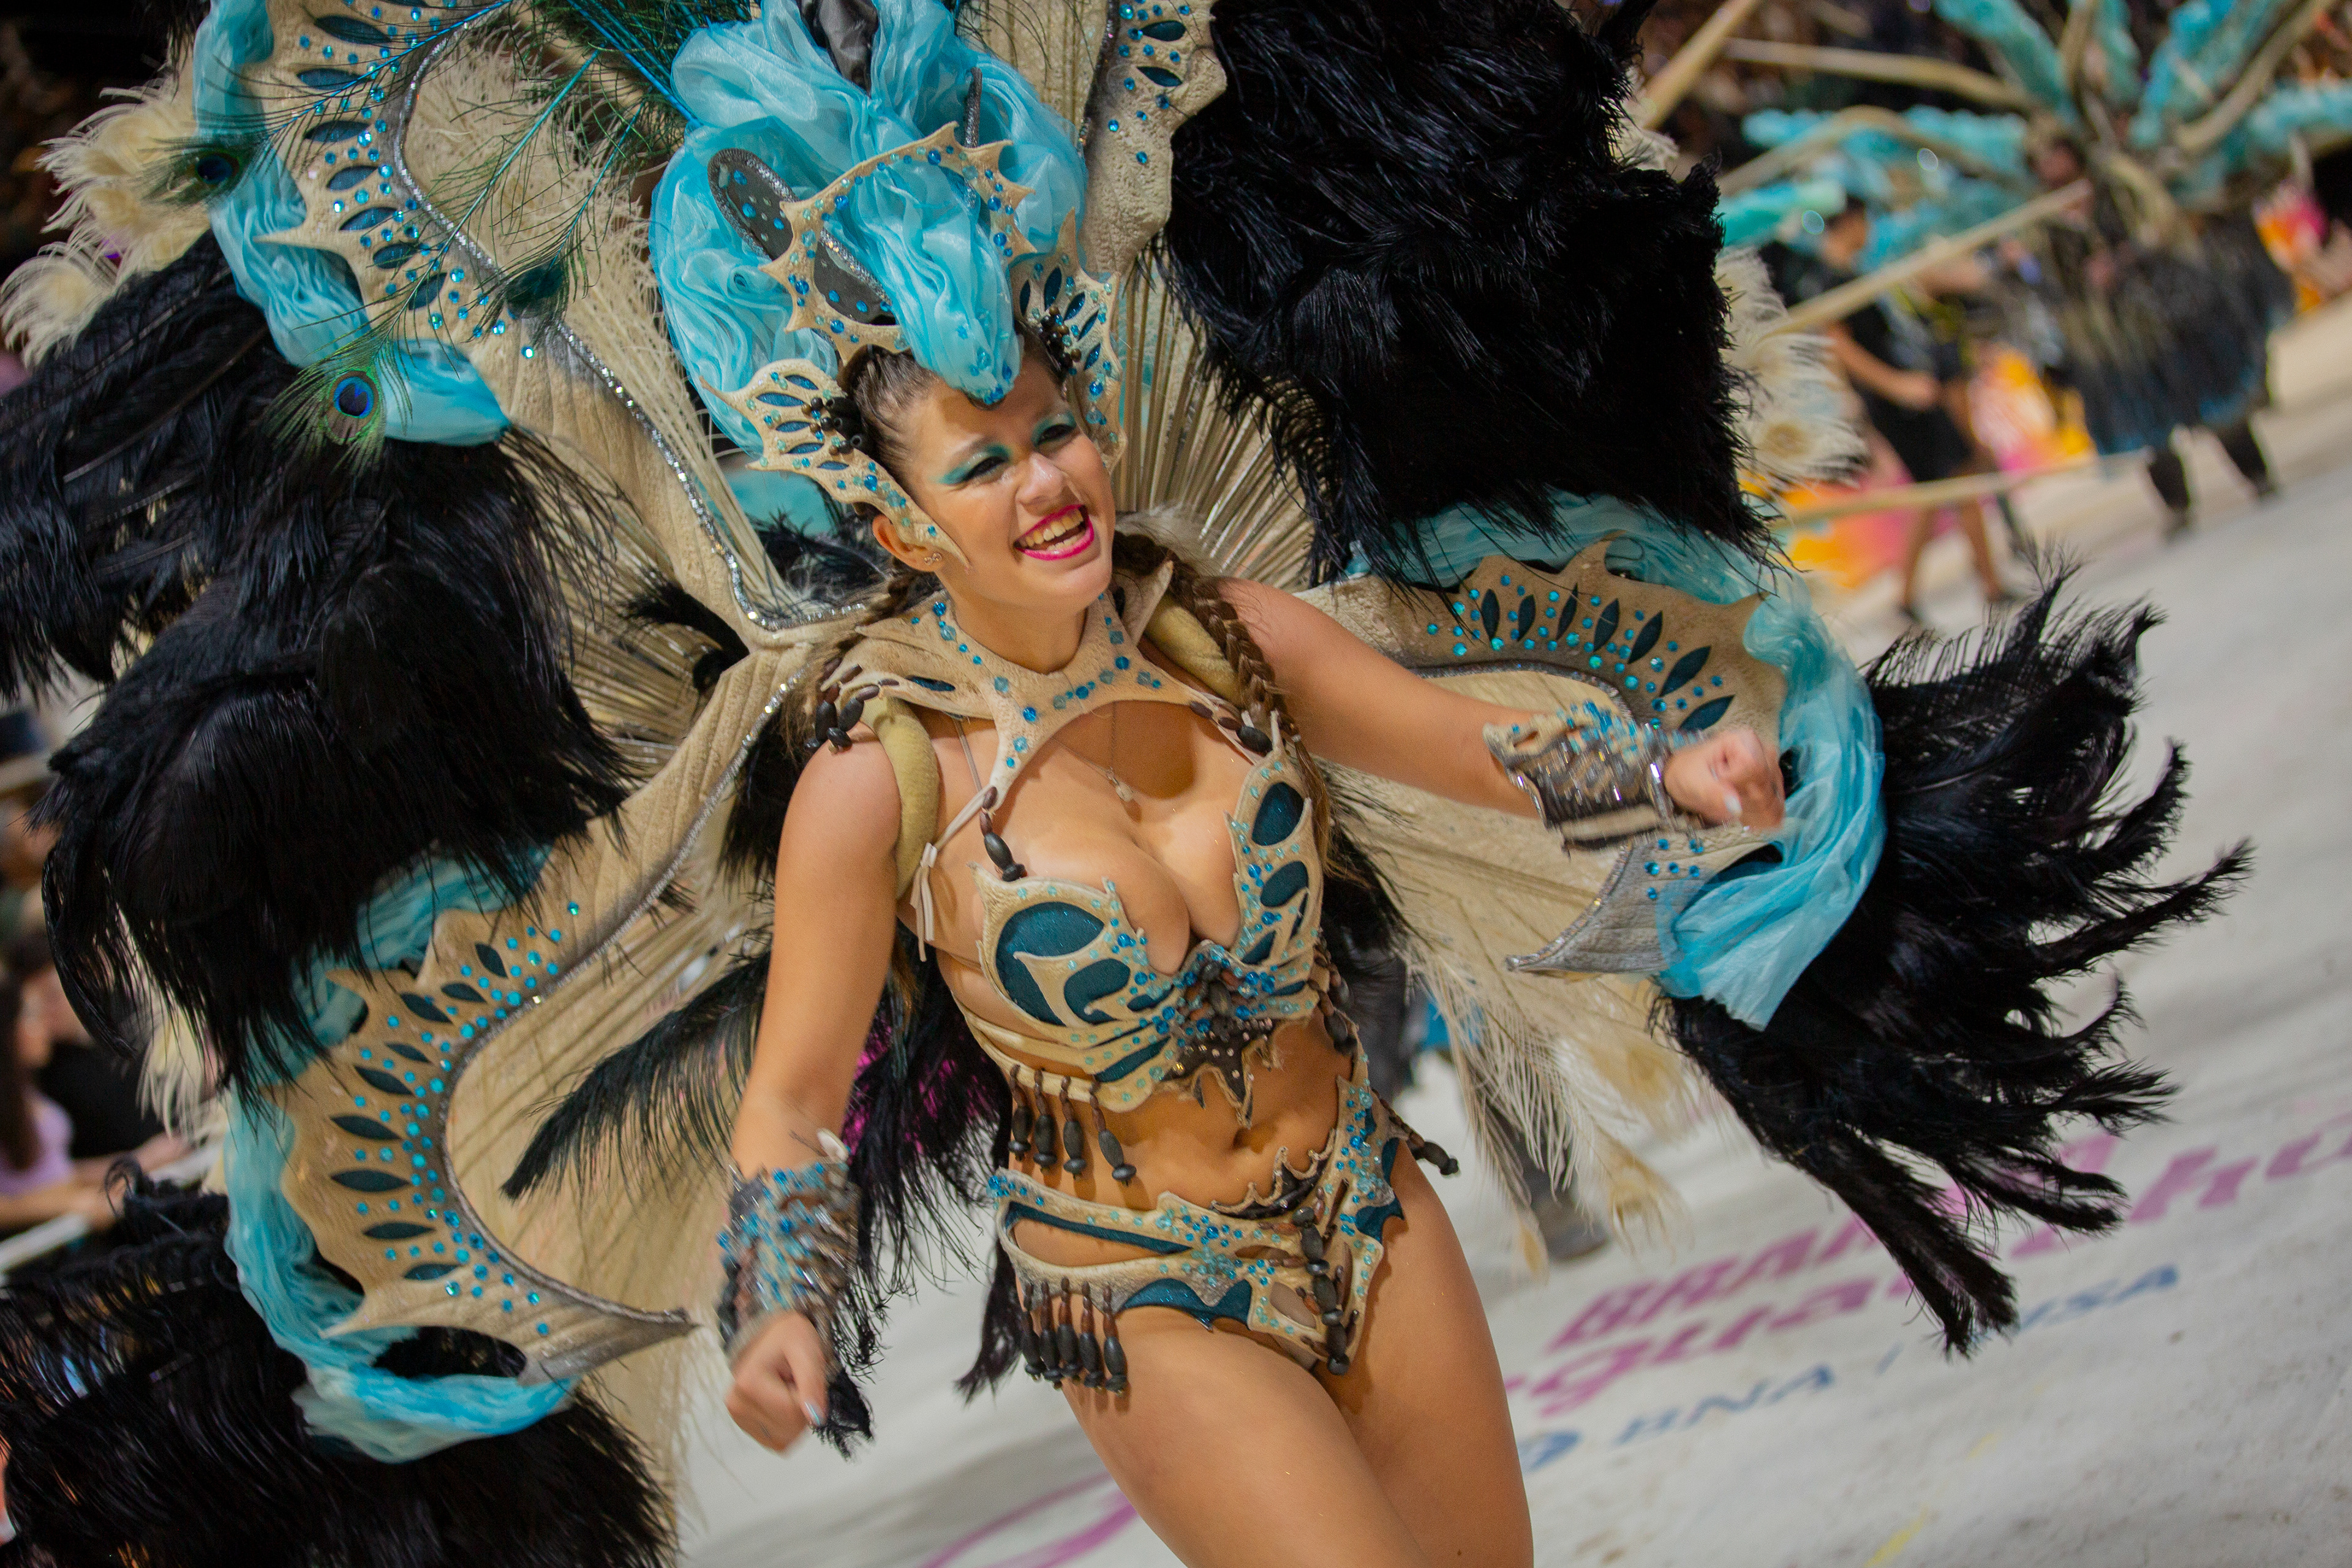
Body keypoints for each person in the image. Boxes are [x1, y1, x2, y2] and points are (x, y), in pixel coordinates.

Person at [0, 1, 2237, 1562]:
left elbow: (1468, 739)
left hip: (1368, 1207)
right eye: (986, 459)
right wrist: (776, 1298)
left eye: (1054, 424)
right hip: (1144, 1283)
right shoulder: (873, 775)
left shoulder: (1228, 623)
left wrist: (1678, 767)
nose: (1054, 479)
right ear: (893, 515)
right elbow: (787, 1099)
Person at [2024, 134, 2290, 537]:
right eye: (2045, 167)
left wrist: (2123, 258)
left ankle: (2257, 475)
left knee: (2220, 408)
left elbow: (2163, 224)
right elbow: (2049, 286)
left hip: (2172, 315)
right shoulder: (2042, 223)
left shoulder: (2119, 184)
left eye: (2059, 160)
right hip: (2116, 342)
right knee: (2150, 433)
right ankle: (2176, 506)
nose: (2055, 172)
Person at [1785, 203, 2013, 622]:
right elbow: (1841, 349)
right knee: (1950, 484)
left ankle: (1959, 588)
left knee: (1944, 487)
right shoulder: (1828, 281)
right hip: (1898, 403)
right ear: (1849, 221)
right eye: (1864, 220)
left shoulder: (1849, 272)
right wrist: (1897, 386)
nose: (1869, 229)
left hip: (1909, 394)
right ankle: (1974, 586)